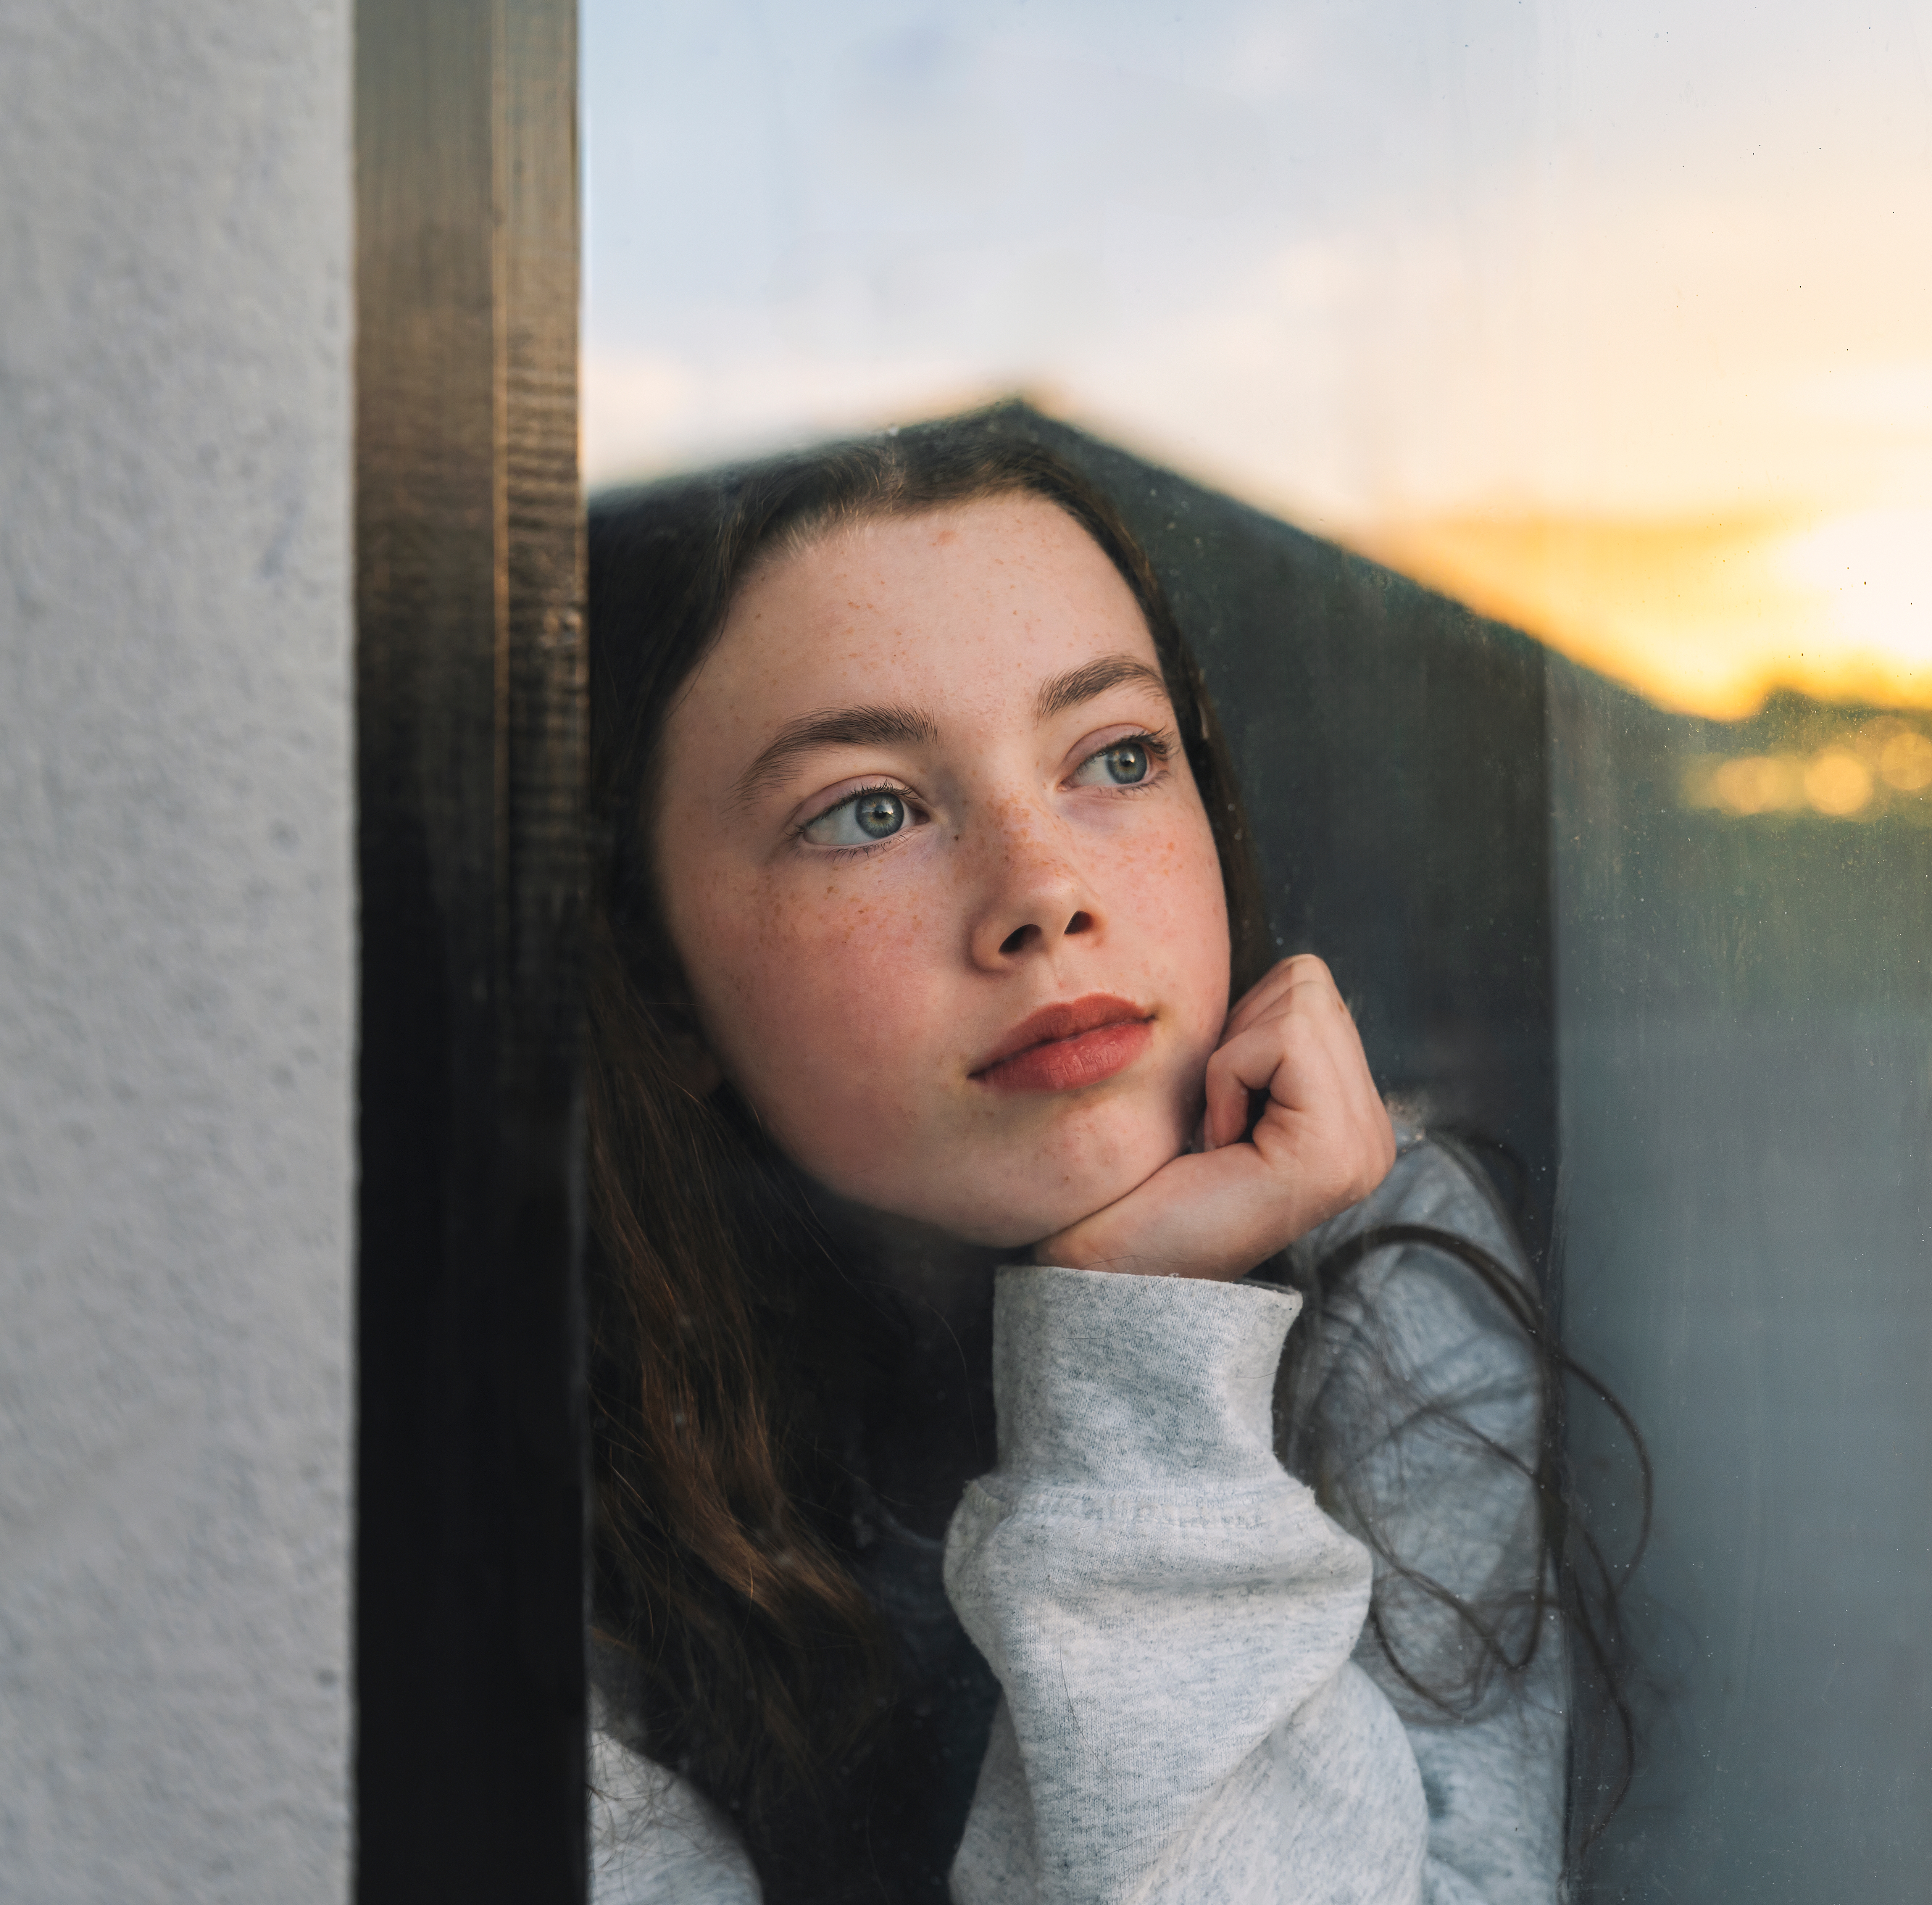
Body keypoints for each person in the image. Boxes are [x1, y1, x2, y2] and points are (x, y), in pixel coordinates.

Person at [581, 417, 1630, 1903]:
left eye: (1118, 758)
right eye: (869, 812)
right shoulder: (537, 1409)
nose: (1046, 890)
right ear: (660, 981)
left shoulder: (1379, 1254)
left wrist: (1143, 1338)